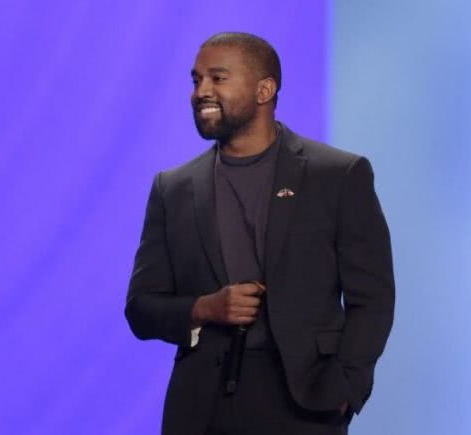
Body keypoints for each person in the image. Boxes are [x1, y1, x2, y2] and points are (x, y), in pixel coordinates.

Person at [125, 32, 394, 435]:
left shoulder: (337, 175)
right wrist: (205, 308)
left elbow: (372, 298)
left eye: (218, 78)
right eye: (196, 80)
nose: (201, 91)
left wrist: (347, 386)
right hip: (201, 408)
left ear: (265, 89)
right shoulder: (173, 188)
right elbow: (141, 308)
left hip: (306, 403)